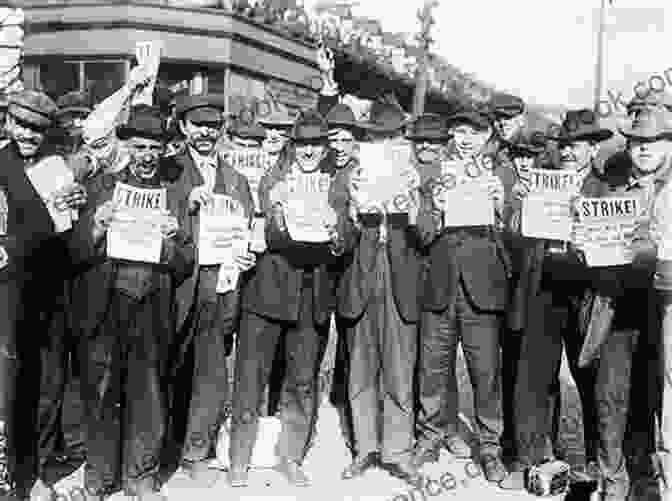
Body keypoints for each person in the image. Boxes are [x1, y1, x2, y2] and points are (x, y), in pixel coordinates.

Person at [68, 105, 195, 501]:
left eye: (154, 148)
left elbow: (186, 261)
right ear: (126, 146)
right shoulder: (103, 188)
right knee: (103, 390)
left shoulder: (174, 196)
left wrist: (173, 240)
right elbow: (76, 252)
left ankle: (141, 477)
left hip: (152, 308)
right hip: (108, 306)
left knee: (148, 392)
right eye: (139, 147)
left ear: (163, 150)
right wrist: (97, 227)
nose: (146, 156)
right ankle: (100, 477)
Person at [228, 110, 351, 488]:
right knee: (251, 377)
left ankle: (290, 456)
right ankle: (240, 458)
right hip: (266, 292)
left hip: (312, 297)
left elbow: (346, 239)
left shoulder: (337, 185)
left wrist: (335, 230)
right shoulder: (272, 180)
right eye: (303, 144)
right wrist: (277, 212)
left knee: (302, 381)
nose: (310, 151)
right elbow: (268, 235)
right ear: (292, 145)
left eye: (316, 144)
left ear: (324, 146)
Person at [503, 110, 614, 490]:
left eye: (577, 145)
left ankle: (599, 462)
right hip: (543, 286)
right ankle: (531, 460)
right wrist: (518, 208)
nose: (568, 152)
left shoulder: (605, 187)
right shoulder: (540, 181)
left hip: (584, 291)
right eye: (564, 145)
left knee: (590, 378)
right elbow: (516, 238)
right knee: (534, 377)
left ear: (593, 148)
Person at [413, 106, 510, 483]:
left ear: (487, 136)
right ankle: (430, 436)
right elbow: (420, 232)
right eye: (460, 132)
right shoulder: (434, 175)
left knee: (485, 372)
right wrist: (435, 212)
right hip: (440, 286)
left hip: (482, 288)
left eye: (474, 132)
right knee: (433, 368)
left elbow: (518, 234)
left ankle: (489, 446)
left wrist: (501, 204)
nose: (466, 139)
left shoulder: (500, 174)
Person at [0, 90, 87, 501]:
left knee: (50, 383)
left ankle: (38, 471)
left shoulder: (58, 165)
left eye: (36, 128)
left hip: (52, 291)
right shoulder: (0, 164)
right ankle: (13, 474)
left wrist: (79, 204)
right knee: (13, 384)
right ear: (9, 123)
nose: (27, 134)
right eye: (21, 125)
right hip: (9, 295)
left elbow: (68, 230)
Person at [166, 94, 256, 487]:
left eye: (213, 125)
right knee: (167, 368)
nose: (206, 132)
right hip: (176, 286)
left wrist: (247, 253)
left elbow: (249, 228)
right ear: (184, 128)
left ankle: (196, 452)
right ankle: (160, 449)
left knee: (211, 372)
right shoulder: (167, 171)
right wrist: (185, 207)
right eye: (198, 124)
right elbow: (150, 224)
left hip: (220, 286)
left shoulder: (235, 179)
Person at [337, 102, 424, 487]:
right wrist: (354, 211)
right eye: (375, 136)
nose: (382, 142)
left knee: (400, 368)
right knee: (361, 366)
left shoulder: (415, 176)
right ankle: (365, 448)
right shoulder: (350, 176)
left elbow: (430, 232)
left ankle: (398, 451)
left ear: (400, 140)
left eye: (389, 136)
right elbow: (338, 235)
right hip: (364, 274)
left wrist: (416, 204)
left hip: (400, 277)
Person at [323, 101, 367, 463]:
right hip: (323, 267)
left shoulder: (363, 172)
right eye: (332, 138)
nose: (337, 145)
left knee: (353, 342)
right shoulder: (319, 168)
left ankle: (356, 429)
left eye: (344, 138)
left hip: (353, 267)